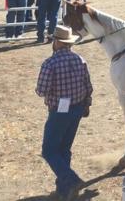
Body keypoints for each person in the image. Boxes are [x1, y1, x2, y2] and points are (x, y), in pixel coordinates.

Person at [36, 24, 93, 200]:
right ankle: (64, 191)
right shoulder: (80, 59)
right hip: (77, 108)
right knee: (64, 149)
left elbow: (41, 90)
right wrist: (87, 104)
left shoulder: (50, 63)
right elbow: (88, 86)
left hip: (59, 111)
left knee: (49, 151)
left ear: (57, 42)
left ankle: (71, 180)